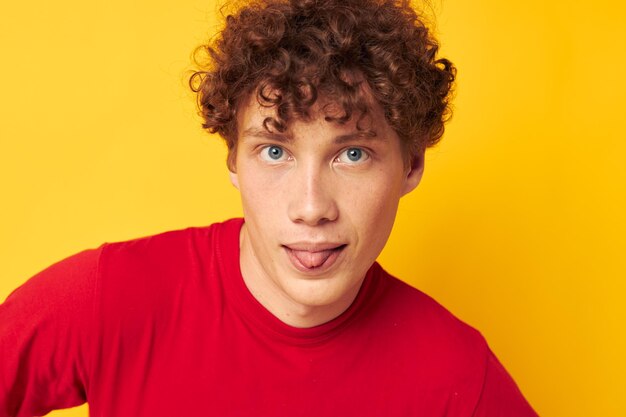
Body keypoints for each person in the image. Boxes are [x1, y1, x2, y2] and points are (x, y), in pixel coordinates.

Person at [0, 0, 539, 416]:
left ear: (412, 166)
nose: (310, 208)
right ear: (234, 158)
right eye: (275, 151)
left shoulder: (459, 379)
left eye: (353, 153)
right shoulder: (111, 299)